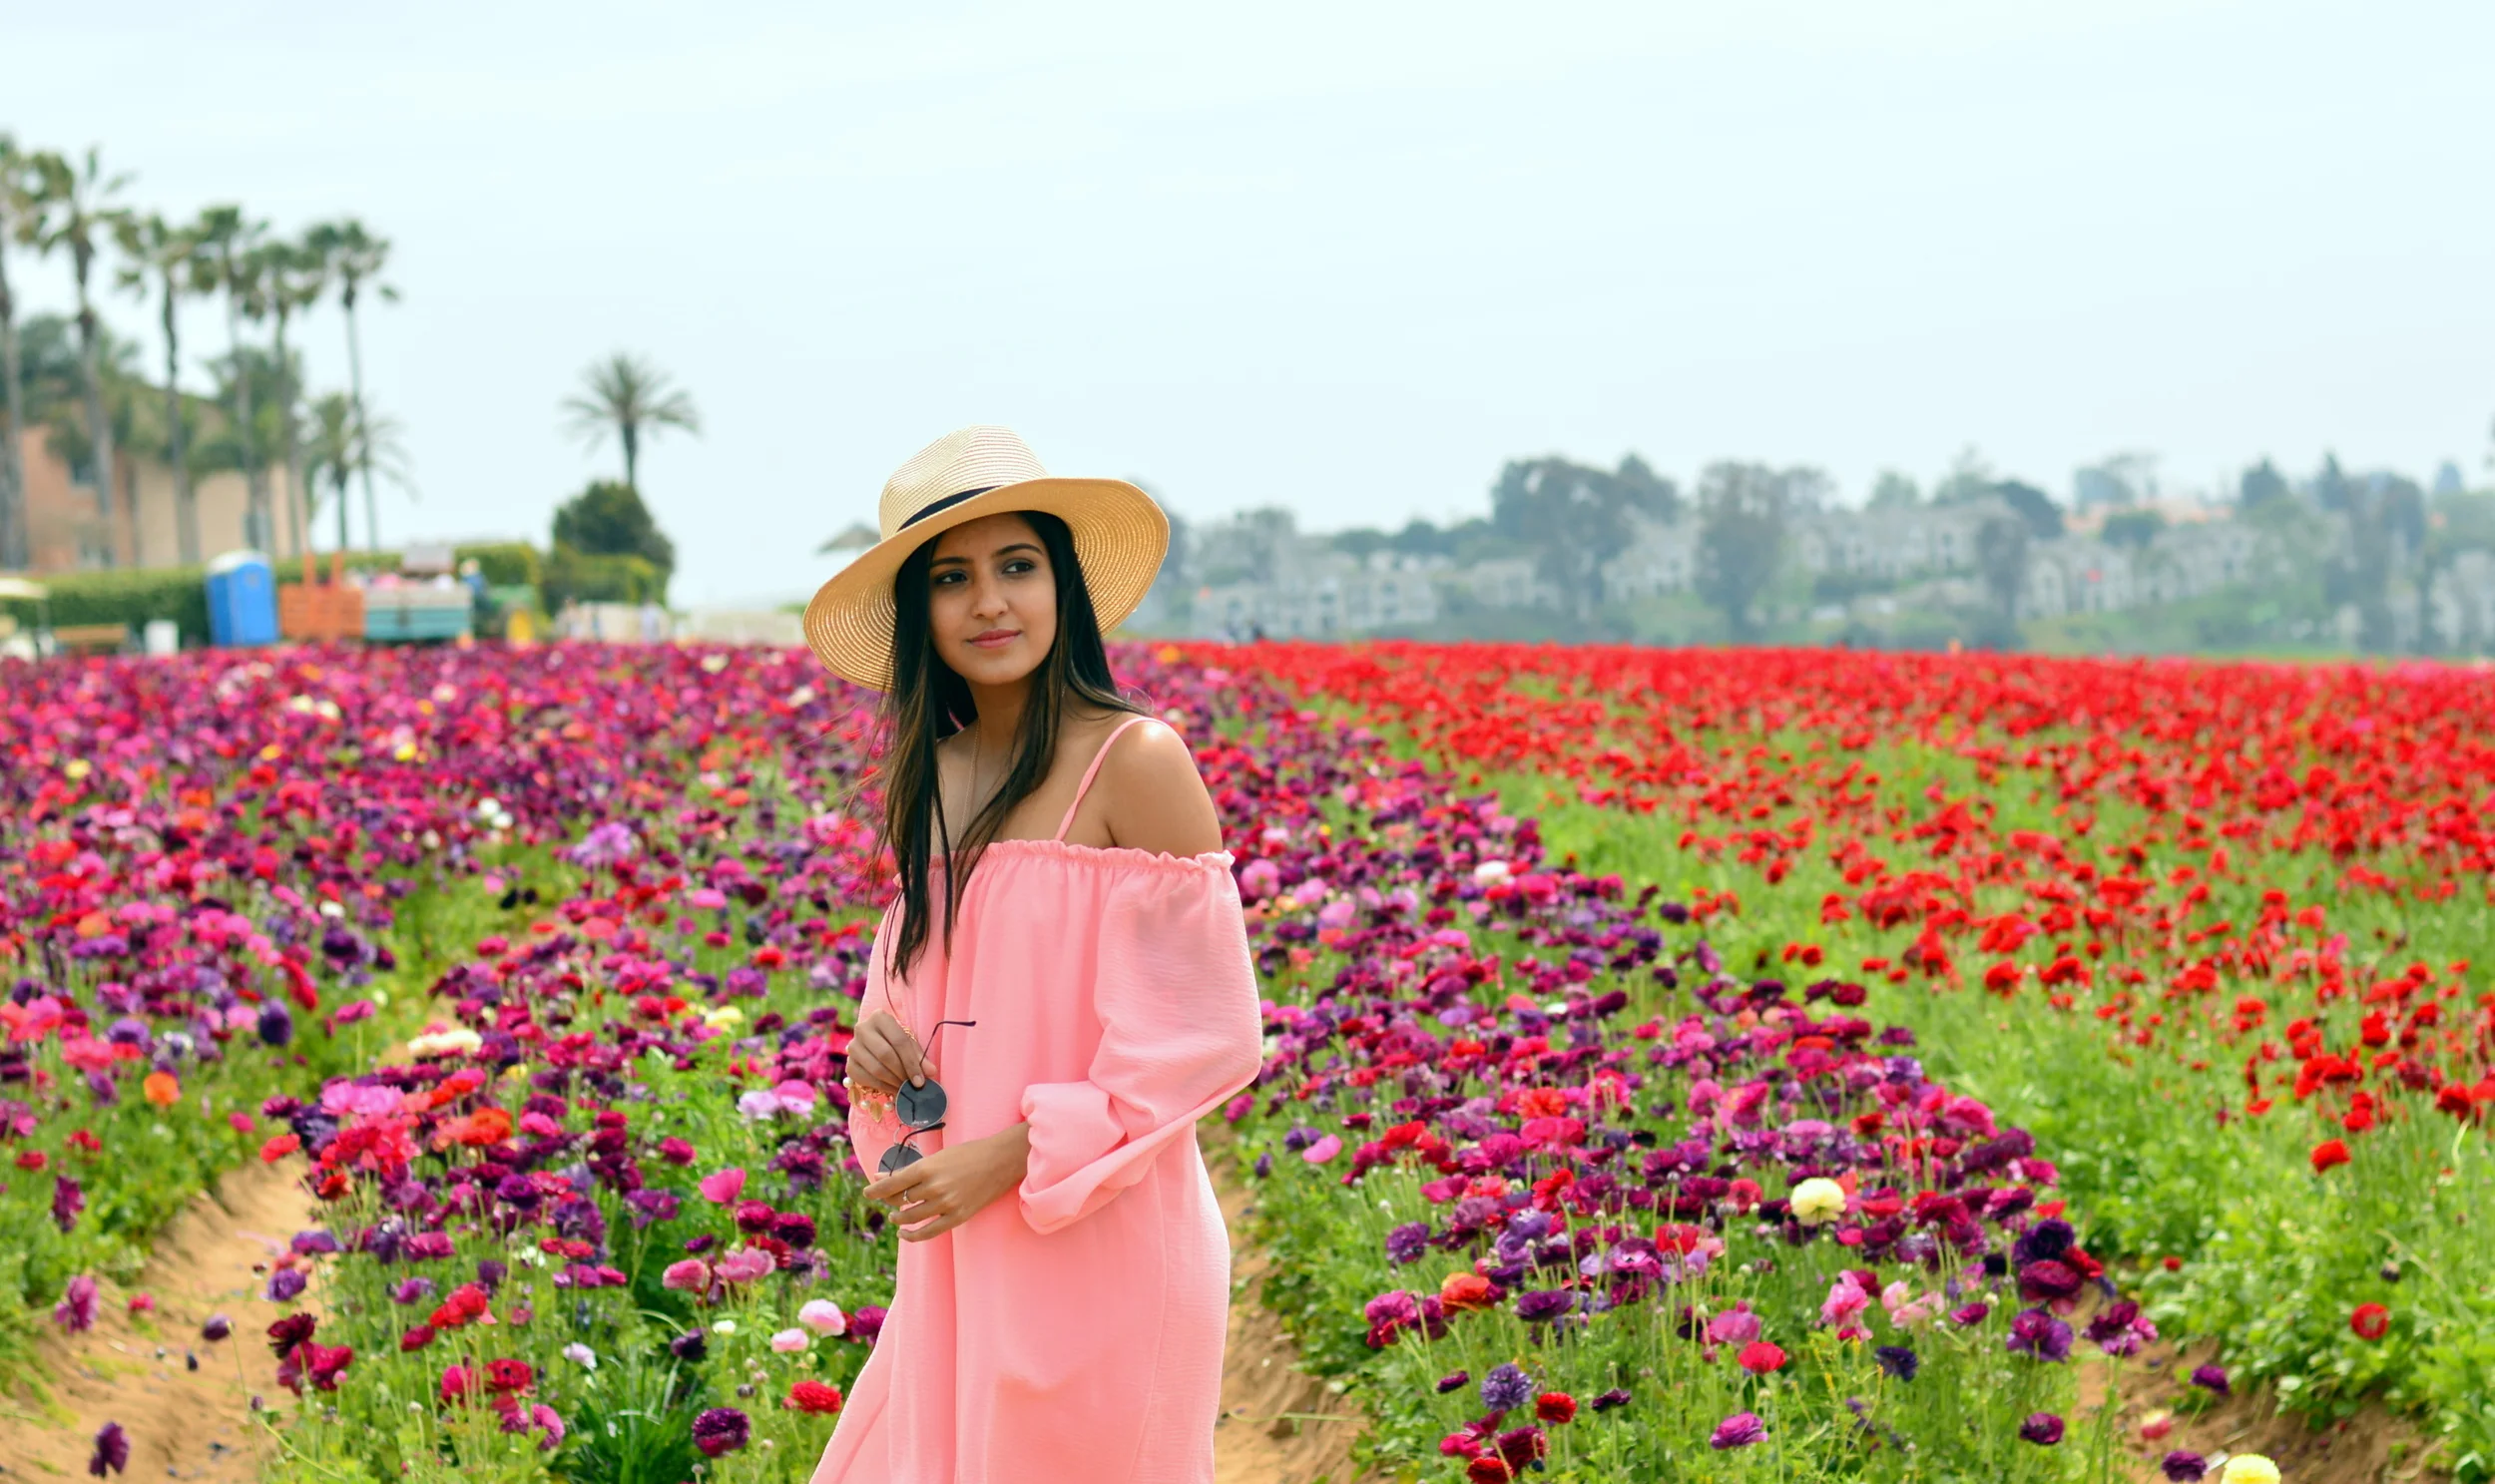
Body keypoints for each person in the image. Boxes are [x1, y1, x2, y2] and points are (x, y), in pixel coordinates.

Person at [802, 426, 1264, 1484]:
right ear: (919, 610)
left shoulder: (1135, 759)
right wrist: (878, 1044)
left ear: (1063, 585)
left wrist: (1009, 1154)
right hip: (967, 1240)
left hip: (1103, 1227)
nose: (989, 602)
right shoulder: (936, 774)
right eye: (951, 578)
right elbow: (922, 988)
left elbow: (1203, 1034)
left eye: (1017, 565)